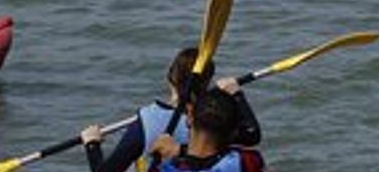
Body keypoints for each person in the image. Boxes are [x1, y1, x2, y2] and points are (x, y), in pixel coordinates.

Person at [83, 48, 261, 172]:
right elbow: (252, 134)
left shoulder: (147, 121)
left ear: (169, 77)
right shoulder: (216, 117)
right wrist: (236, 94)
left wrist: (92, 144)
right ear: (208, 82)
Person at [139, 88, 265, 172]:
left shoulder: (165, 169)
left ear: (189, 117)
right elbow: (252, 134)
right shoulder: (248, 162)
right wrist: (237, 94)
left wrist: (154, 160)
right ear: (233, 133)